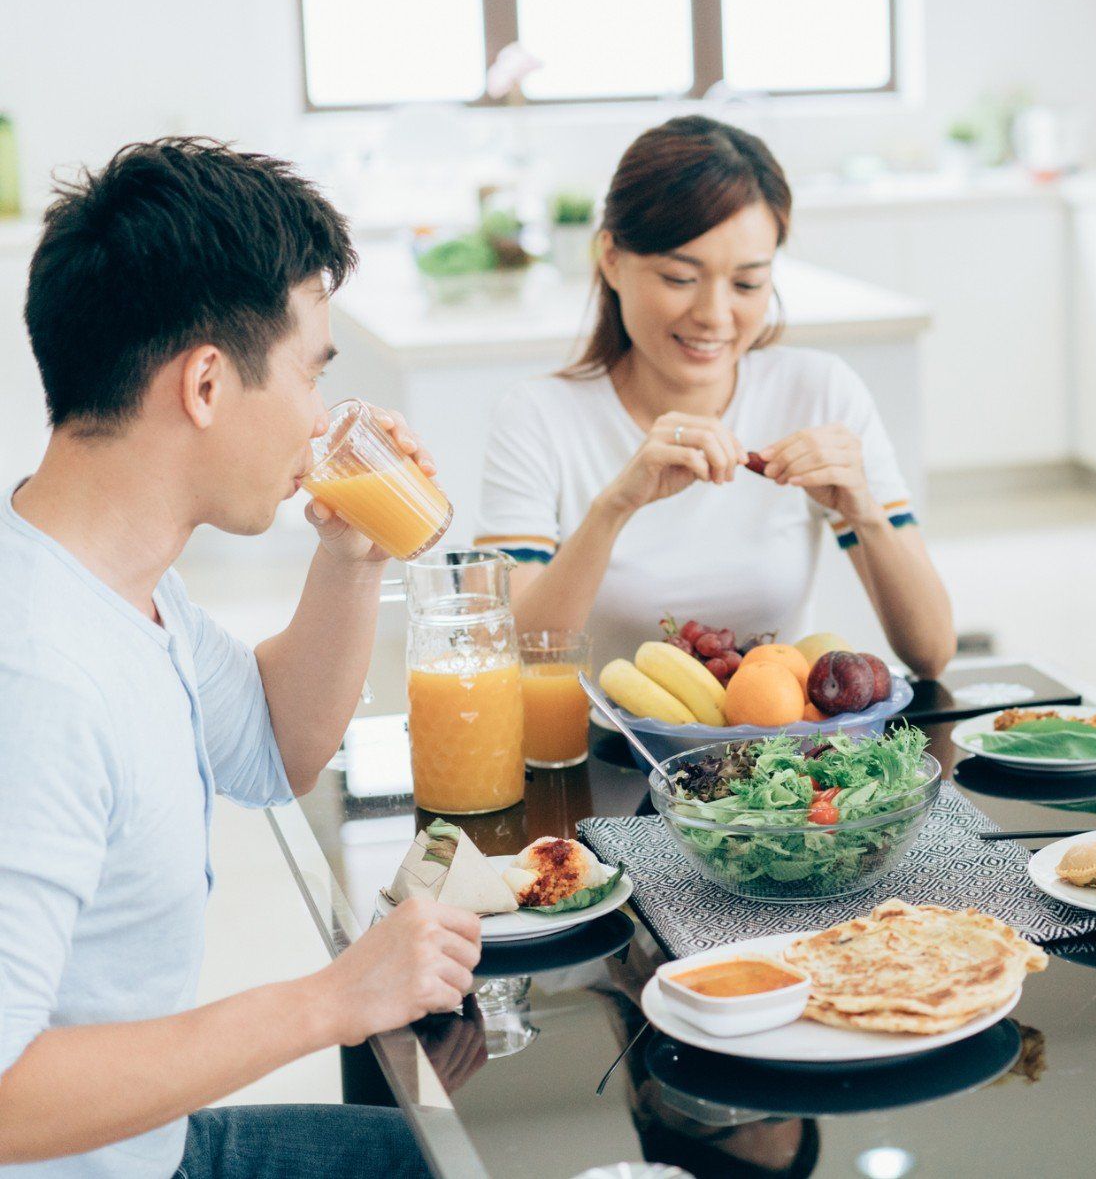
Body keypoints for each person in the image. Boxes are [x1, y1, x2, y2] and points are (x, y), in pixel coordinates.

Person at [0, 138, 480, 1176]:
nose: (321, 418)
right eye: (313, 372)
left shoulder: (116, 580)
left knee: (487, 1153)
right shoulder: (37, 680)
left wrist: (351, 547)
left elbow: (275, 746)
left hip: (144, 1145)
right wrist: (329, 1000)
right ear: (208, 384)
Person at [478, 115, 954, 676]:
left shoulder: (818, 393)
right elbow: (508, 655)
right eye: (680, 278)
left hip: (778, 753)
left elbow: (931, 651)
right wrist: (615, 507)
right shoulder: (539, 417)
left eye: (748, 283)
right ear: (610, 257)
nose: (714, 315)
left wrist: (865, 512)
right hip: (600, 753)